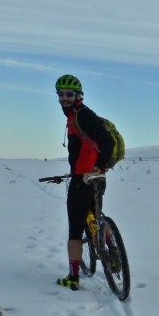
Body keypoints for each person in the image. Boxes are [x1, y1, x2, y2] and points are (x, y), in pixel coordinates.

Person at [54, 74, 115, 291]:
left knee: (74, 230)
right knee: (97, 217)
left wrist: (96, 168)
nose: (64, 98)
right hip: (92, 177)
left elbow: (107, 142)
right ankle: (112, 251)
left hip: (86, 177)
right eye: (61, 94)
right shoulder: (76, 116)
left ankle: (73, 277)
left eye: (69, 94)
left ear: (78, 95)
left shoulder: (82, 116)